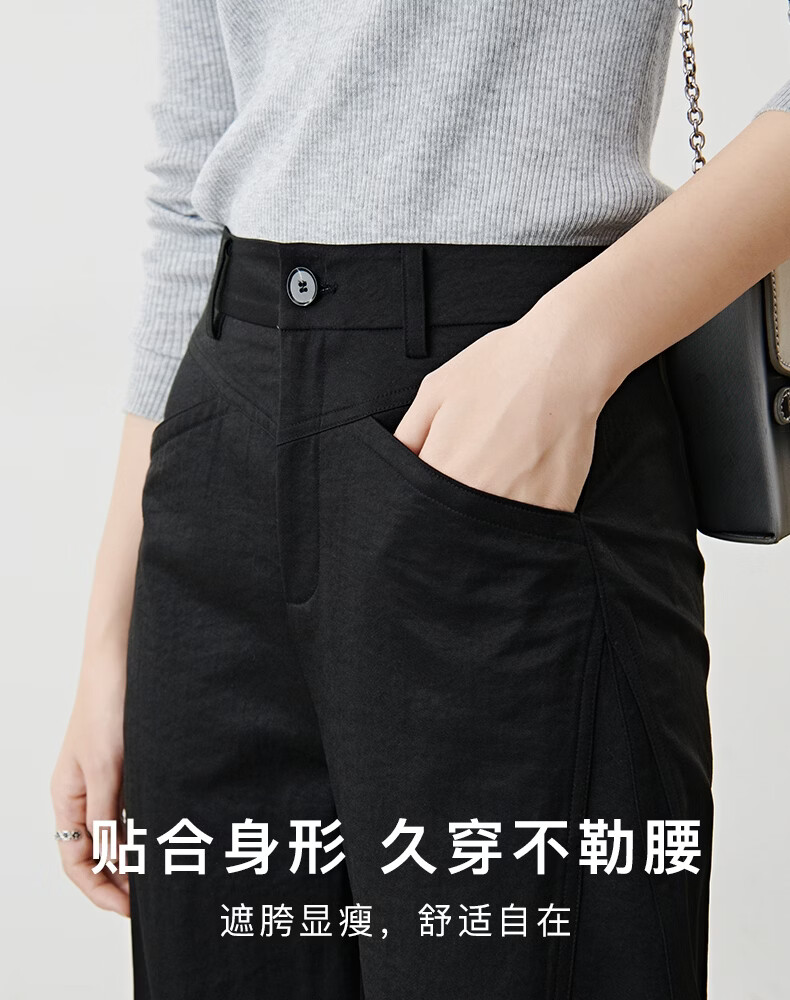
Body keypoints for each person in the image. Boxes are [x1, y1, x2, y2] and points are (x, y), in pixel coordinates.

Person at [51, 1, 790, 997]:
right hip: (219, 459)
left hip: (510, 437)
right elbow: (195, 174)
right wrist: (111, 642)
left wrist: (573, 349)